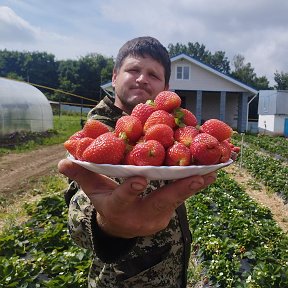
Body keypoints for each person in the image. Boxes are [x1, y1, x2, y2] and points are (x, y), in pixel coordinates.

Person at [58, 36, 217, 288]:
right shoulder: (98, 132)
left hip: (170, 273)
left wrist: (216, 151)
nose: (142, 78)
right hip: (122, 280)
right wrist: (107, 226)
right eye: (133, 70)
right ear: (114, 76)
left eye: (153, 75)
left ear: (166, 87)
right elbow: (80, 205)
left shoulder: (168, 129)